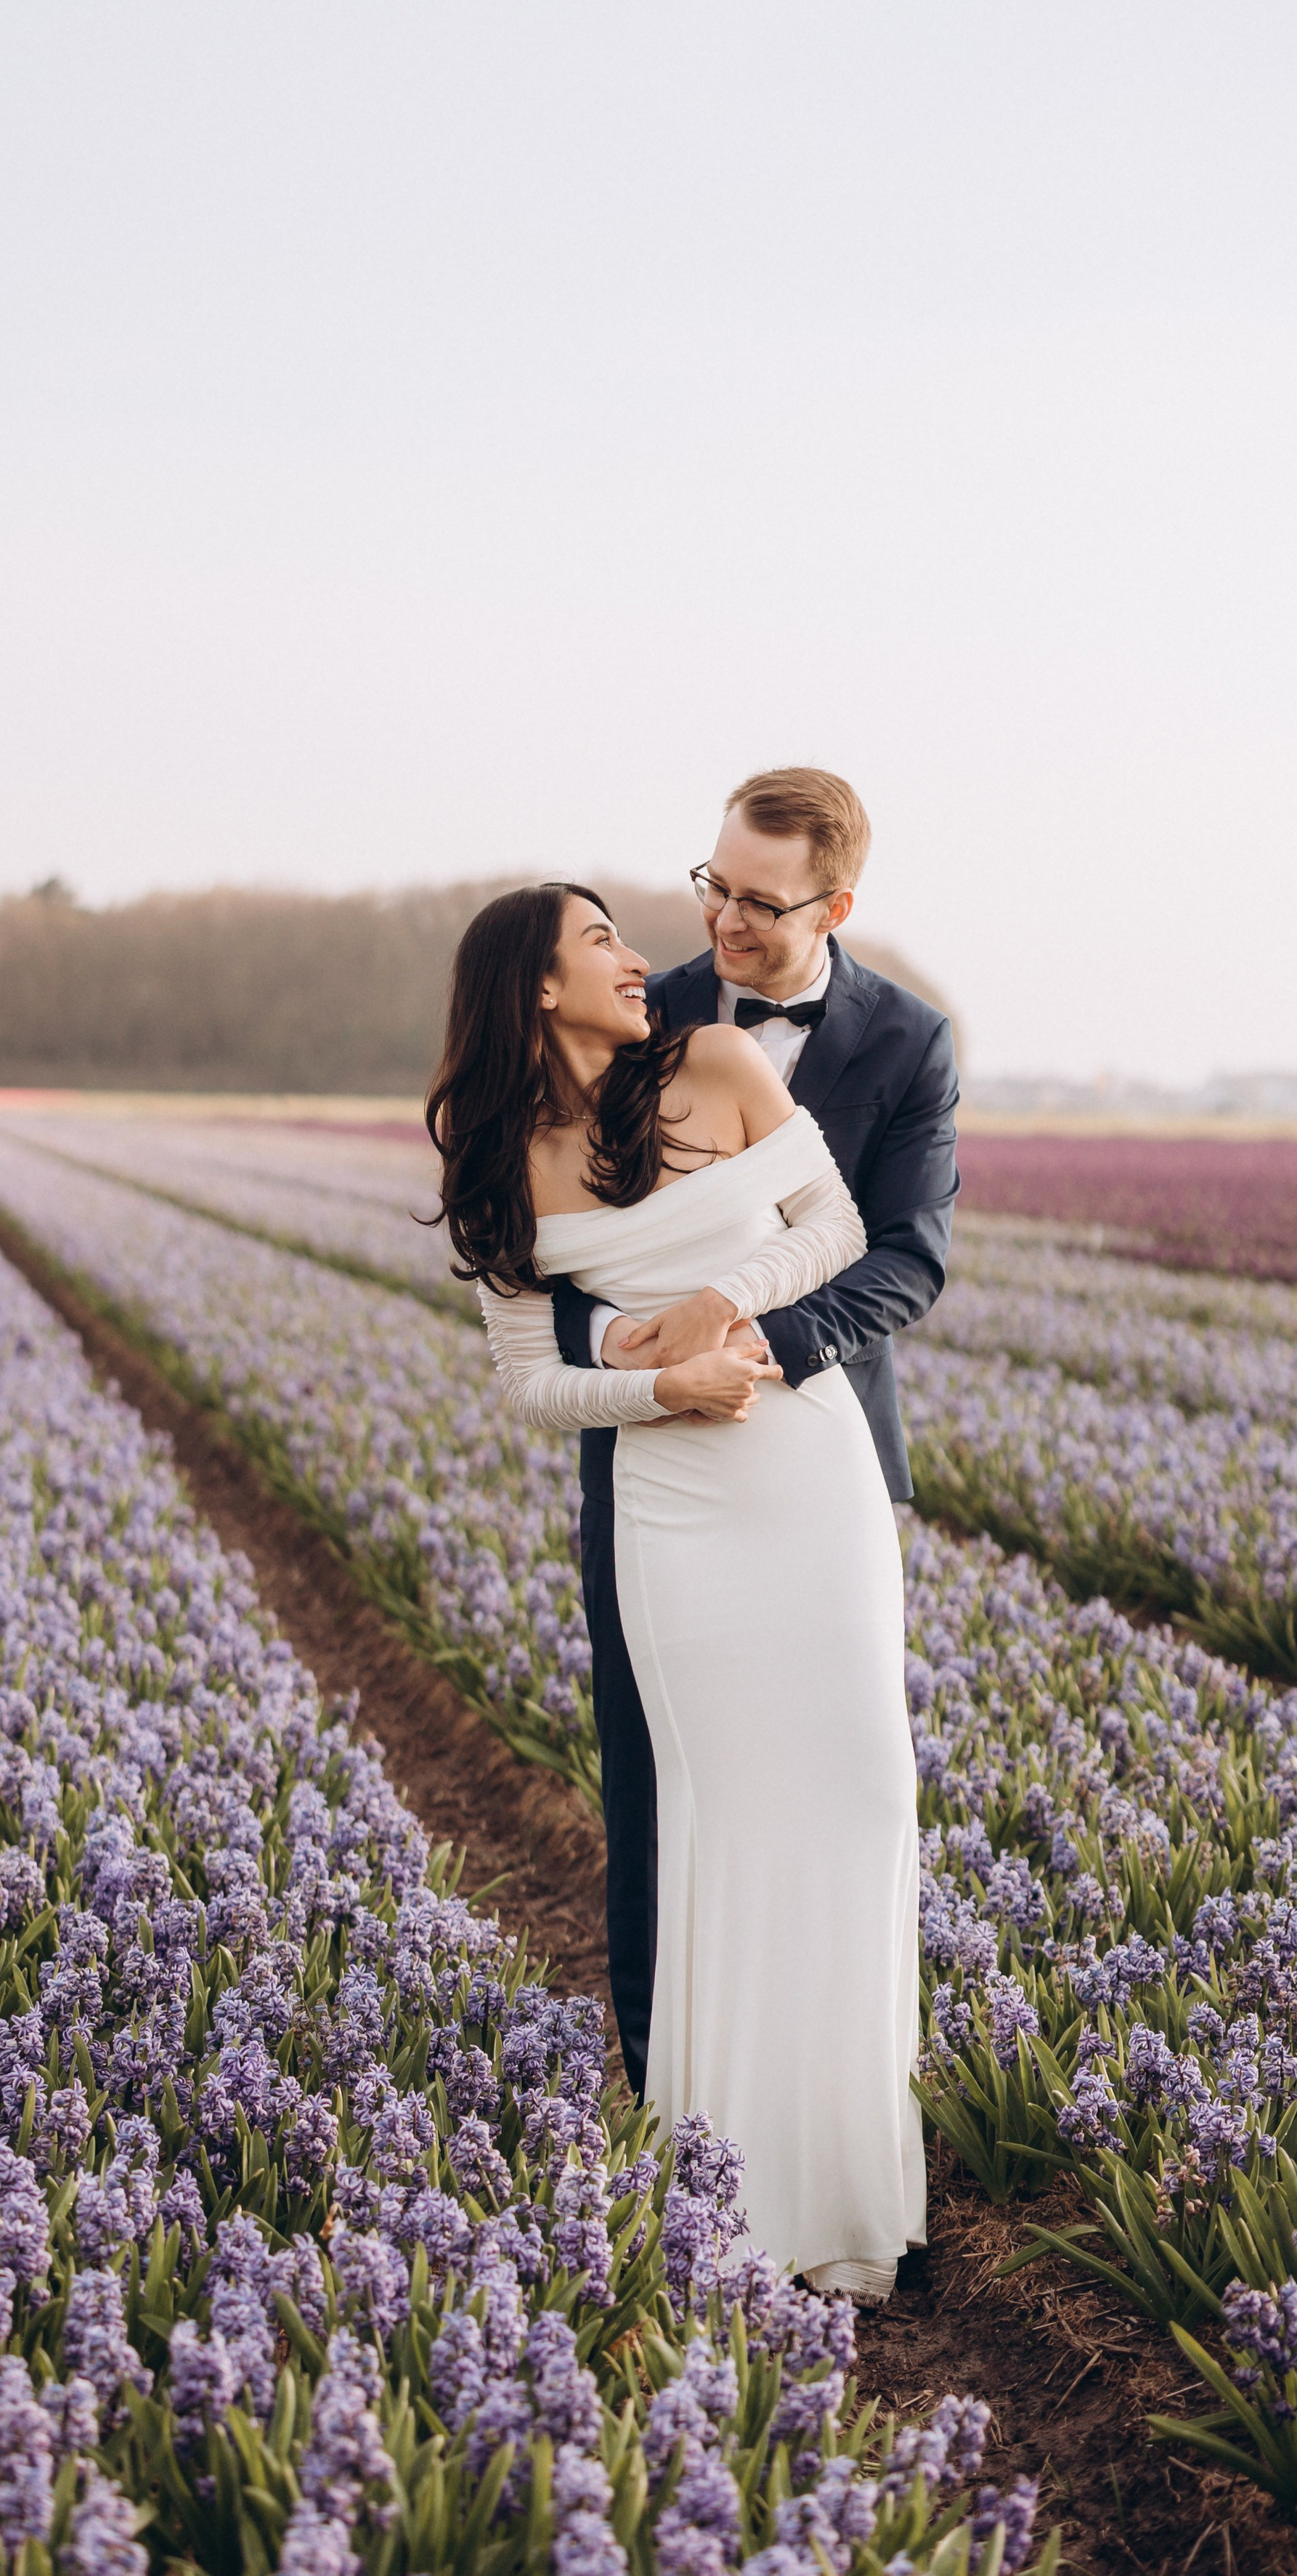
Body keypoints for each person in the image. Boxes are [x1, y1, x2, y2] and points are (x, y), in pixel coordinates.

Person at [426, 855, 939, 2293]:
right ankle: (727, 2196)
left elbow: (837, 1233)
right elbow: (529, 1386)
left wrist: (729, 1310)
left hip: (803, 1464)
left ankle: (848, 2189)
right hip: (674, 1498)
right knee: (713, 1817)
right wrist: (663, 1397)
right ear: (537, 985)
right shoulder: (494, 1162)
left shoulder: (713, 1065)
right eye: (601, 941)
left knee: (852, 1793)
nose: (638, 955)